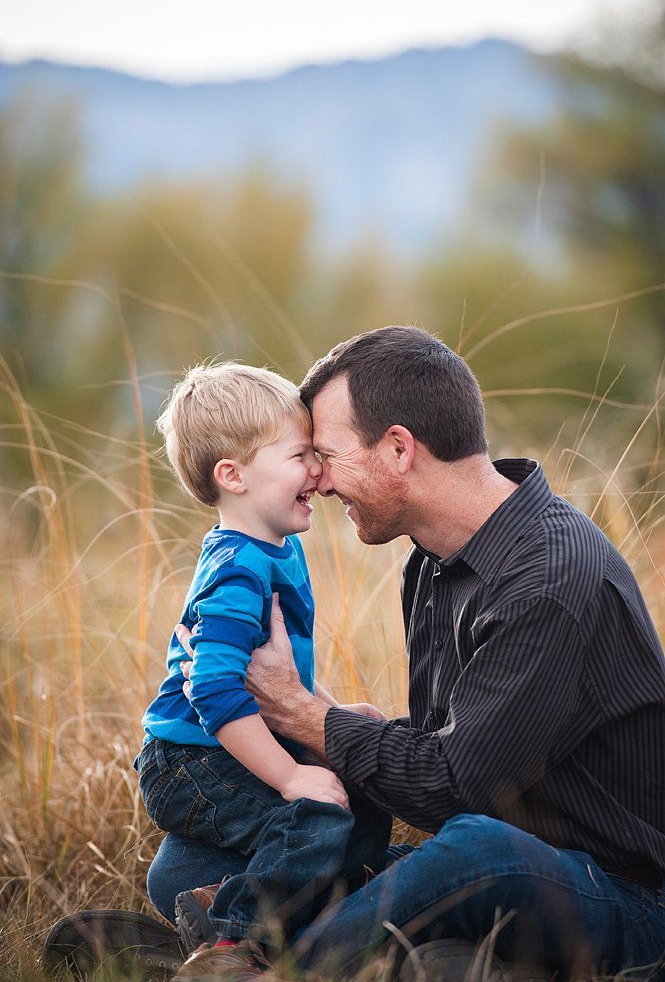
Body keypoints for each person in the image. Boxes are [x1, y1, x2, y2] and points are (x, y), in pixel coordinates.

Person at [164, 328, 665, 981]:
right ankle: (427, 958)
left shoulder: (548, 581)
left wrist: (307, 716)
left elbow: (460, 791)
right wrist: (346, 737)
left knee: (472, 853)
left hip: (619, 894)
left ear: (397, 448)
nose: (316, 480)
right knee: (185, 866)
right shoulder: (430, 566)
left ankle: (271, 967)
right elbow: (452, 753)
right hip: (504, 857)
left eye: (326, 454)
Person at [134, 362, 392, 971]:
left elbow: (280, 673)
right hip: (192, 761)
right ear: (234, 475)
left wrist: (327, 718)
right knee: (314, 815)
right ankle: (232, 944)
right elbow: (217, 692)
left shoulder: (279, 548)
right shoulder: (236, 571)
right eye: (300, 455)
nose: (318, 471)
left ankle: (253, 910)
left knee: (363, 794)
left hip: (232, 741)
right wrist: (289, 778)